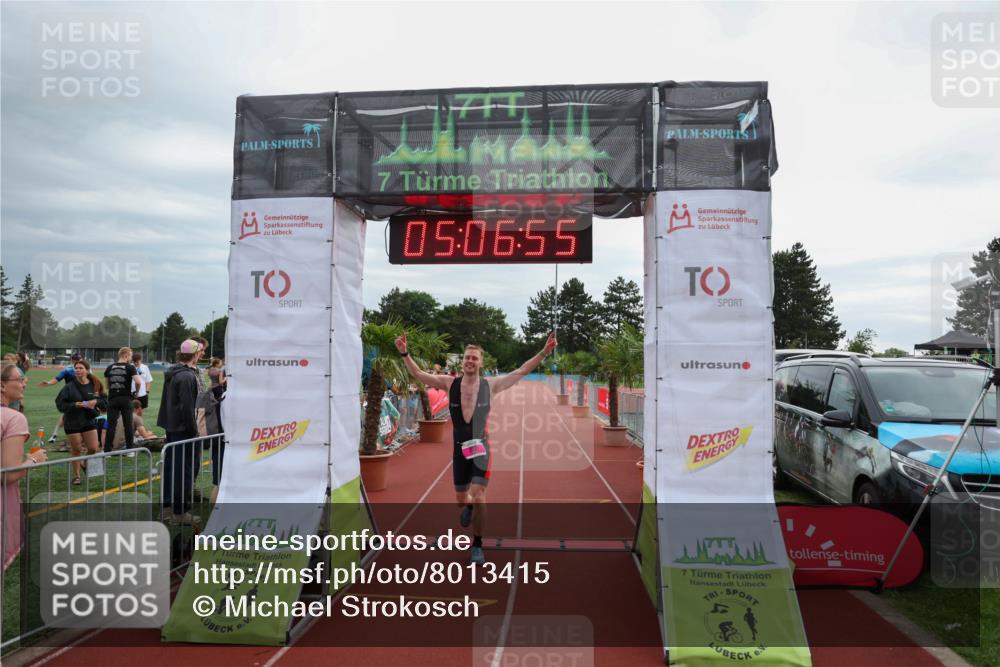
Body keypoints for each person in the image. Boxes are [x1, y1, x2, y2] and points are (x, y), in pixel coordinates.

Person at [395, 330, 557, 564]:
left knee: (480, 495)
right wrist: (404, 353)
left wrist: (543, 352)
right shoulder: (448, 383)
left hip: (481, 448)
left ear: (481, 362)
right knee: (462, 499)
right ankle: (467, 507)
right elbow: (419, 374)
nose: (470, 361)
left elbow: (521, 370)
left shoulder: (491, 385)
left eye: (474, 358)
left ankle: (478, 545)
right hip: (459, 449)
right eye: (467, 358)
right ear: (462, 362)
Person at [2, 362, 48, 570]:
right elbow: (7, 474)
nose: (24, 383)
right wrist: (34, 460)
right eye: (19, 379)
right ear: (2, 386)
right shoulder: (13, 419)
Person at [157, 339, 202, 524]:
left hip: (172, 427)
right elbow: (187, 408)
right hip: (183, 430)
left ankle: (167, 509)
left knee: (171, 469)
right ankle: (179, 512)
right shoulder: (186, 376)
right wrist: (194, 431)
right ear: (196, 354)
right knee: (183, 472)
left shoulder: (175, 372)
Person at [55, 359, 106, 486]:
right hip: (72, 421)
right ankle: (77, 476)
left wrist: (96, 402)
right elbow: (60, 404)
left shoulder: (95, 384)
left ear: (87, 370)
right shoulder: (69, 387)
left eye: (80, 368)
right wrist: (75, 405)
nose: (77, 370)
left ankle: (83, 463)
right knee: (76, 449)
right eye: (76, 368)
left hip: (88, 420)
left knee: (93, 448)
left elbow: (105, 400)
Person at [38, 352, 83, 447]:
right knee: (67, 414)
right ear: (72, 360)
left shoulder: (86, 369)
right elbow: (57, 379)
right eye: (76, 359)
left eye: (79, 359)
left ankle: (81, 435)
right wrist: (49, 383)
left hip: (83, 395)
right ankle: (55, 434)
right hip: (71, 395)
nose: (78, 361)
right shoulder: (67, 370)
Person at [103, 347, 141, 453]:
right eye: (130, 355)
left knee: (111, 426)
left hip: (112, 398)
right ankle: (129, 451)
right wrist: (136, 392)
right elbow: (138, 382)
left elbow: (107, 385)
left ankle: (107, 451)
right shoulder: (130, 367)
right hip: (126, 398)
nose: (131, 358)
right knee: (128, 425)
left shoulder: (109, 367)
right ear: (126, 355)